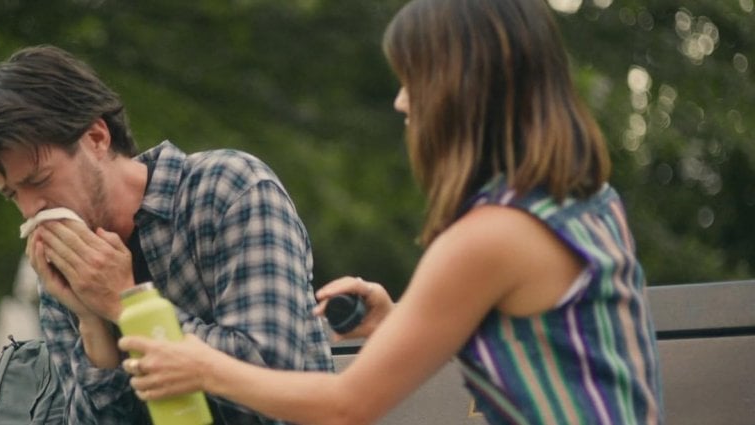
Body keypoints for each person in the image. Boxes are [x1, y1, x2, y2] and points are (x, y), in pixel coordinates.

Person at [117, 0, 664, 424]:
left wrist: (201, 365)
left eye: (413, 79)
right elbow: (547, 343)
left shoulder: (489, 236)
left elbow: (346, 407)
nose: (402, 101)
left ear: (462, 90)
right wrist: (395, 322)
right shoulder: (581, 201)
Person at [0, 45, 334, 424]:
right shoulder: (62, 268)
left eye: (40, 180)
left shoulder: (229, 190)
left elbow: (270, 383)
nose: (31, 210)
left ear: (97, 138)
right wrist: (91, 320)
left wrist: (124, 303)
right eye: (13, 195)